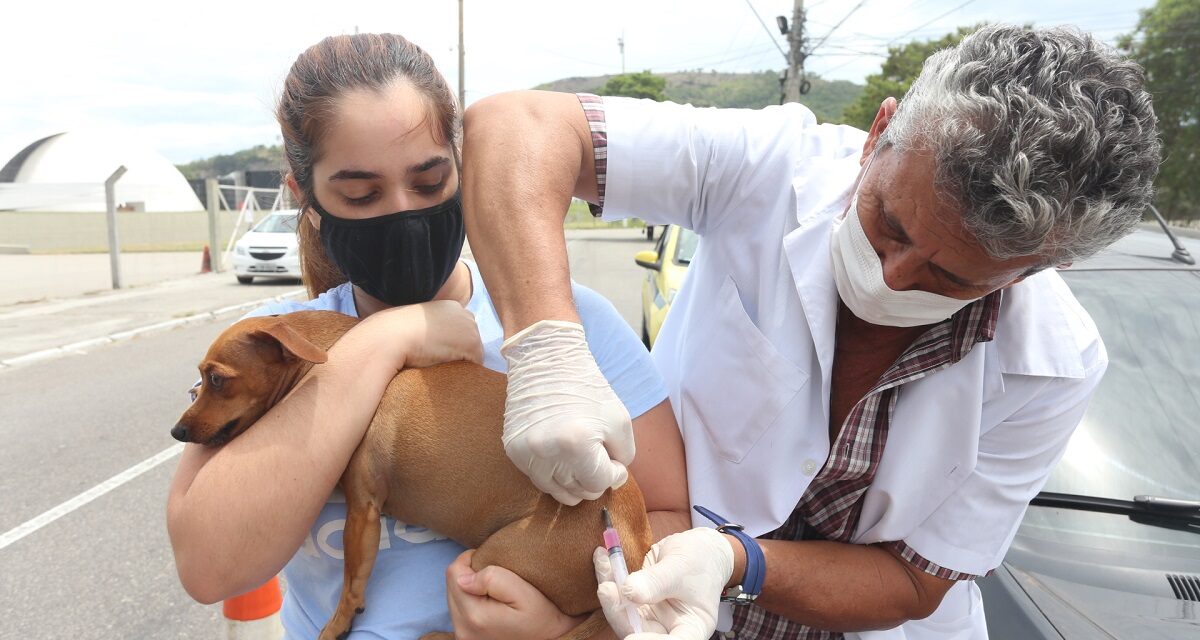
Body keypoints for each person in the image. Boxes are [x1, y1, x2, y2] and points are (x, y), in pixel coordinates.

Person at [456, 25, 1162, 639]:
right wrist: (546, 349)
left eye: (950, 280)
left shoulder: (1057, 364)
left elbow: (915, 583)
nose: (891, 277)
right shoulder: (770, 168)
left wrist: (736, 562)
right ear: (881, 132)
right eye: (888, 224)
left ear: (1038, 269)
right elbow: (514, 129)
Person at [165, 33, 691, 639]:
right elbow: (208, 568)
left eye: (429, 181)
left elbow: (667, 517)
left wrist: (566, 632)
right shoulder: (277, 348)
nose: (402, 212)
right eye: (360, 193)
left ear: (464, 171)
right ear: (305, 199)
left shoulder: (566, 328)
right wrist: (383, 340)